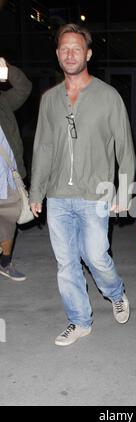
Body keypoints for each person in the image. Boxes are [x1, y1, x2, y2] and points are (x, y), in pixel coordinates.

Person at [30, 23, 135, 346]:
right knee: (66, 264)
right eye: (64, 49)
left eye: (76, 48)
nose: (70, 54)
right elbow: (43, 147)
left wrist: (123, 188)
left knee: (96, 256)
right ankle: (79, 321)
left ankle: (115, 292)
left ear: (88, 54)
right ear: (58, 55)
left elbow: (124, 146)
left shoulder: (108, 96)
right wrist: (37, 191)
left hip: (95, 193)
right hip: (58, 195)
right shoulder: (49, 100)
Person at [0, 57, 32, 280]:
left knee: (9, 223)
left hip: (7, 179)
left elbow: (24, 87)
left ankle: (5, 263)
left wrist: (6, 69)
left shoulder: (3, 102)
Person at [0, 126, 26, 281]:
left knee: (9, 224)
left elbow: (6, 150)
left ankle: (5, 263)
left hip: (4, 184)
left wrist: (14, 179)